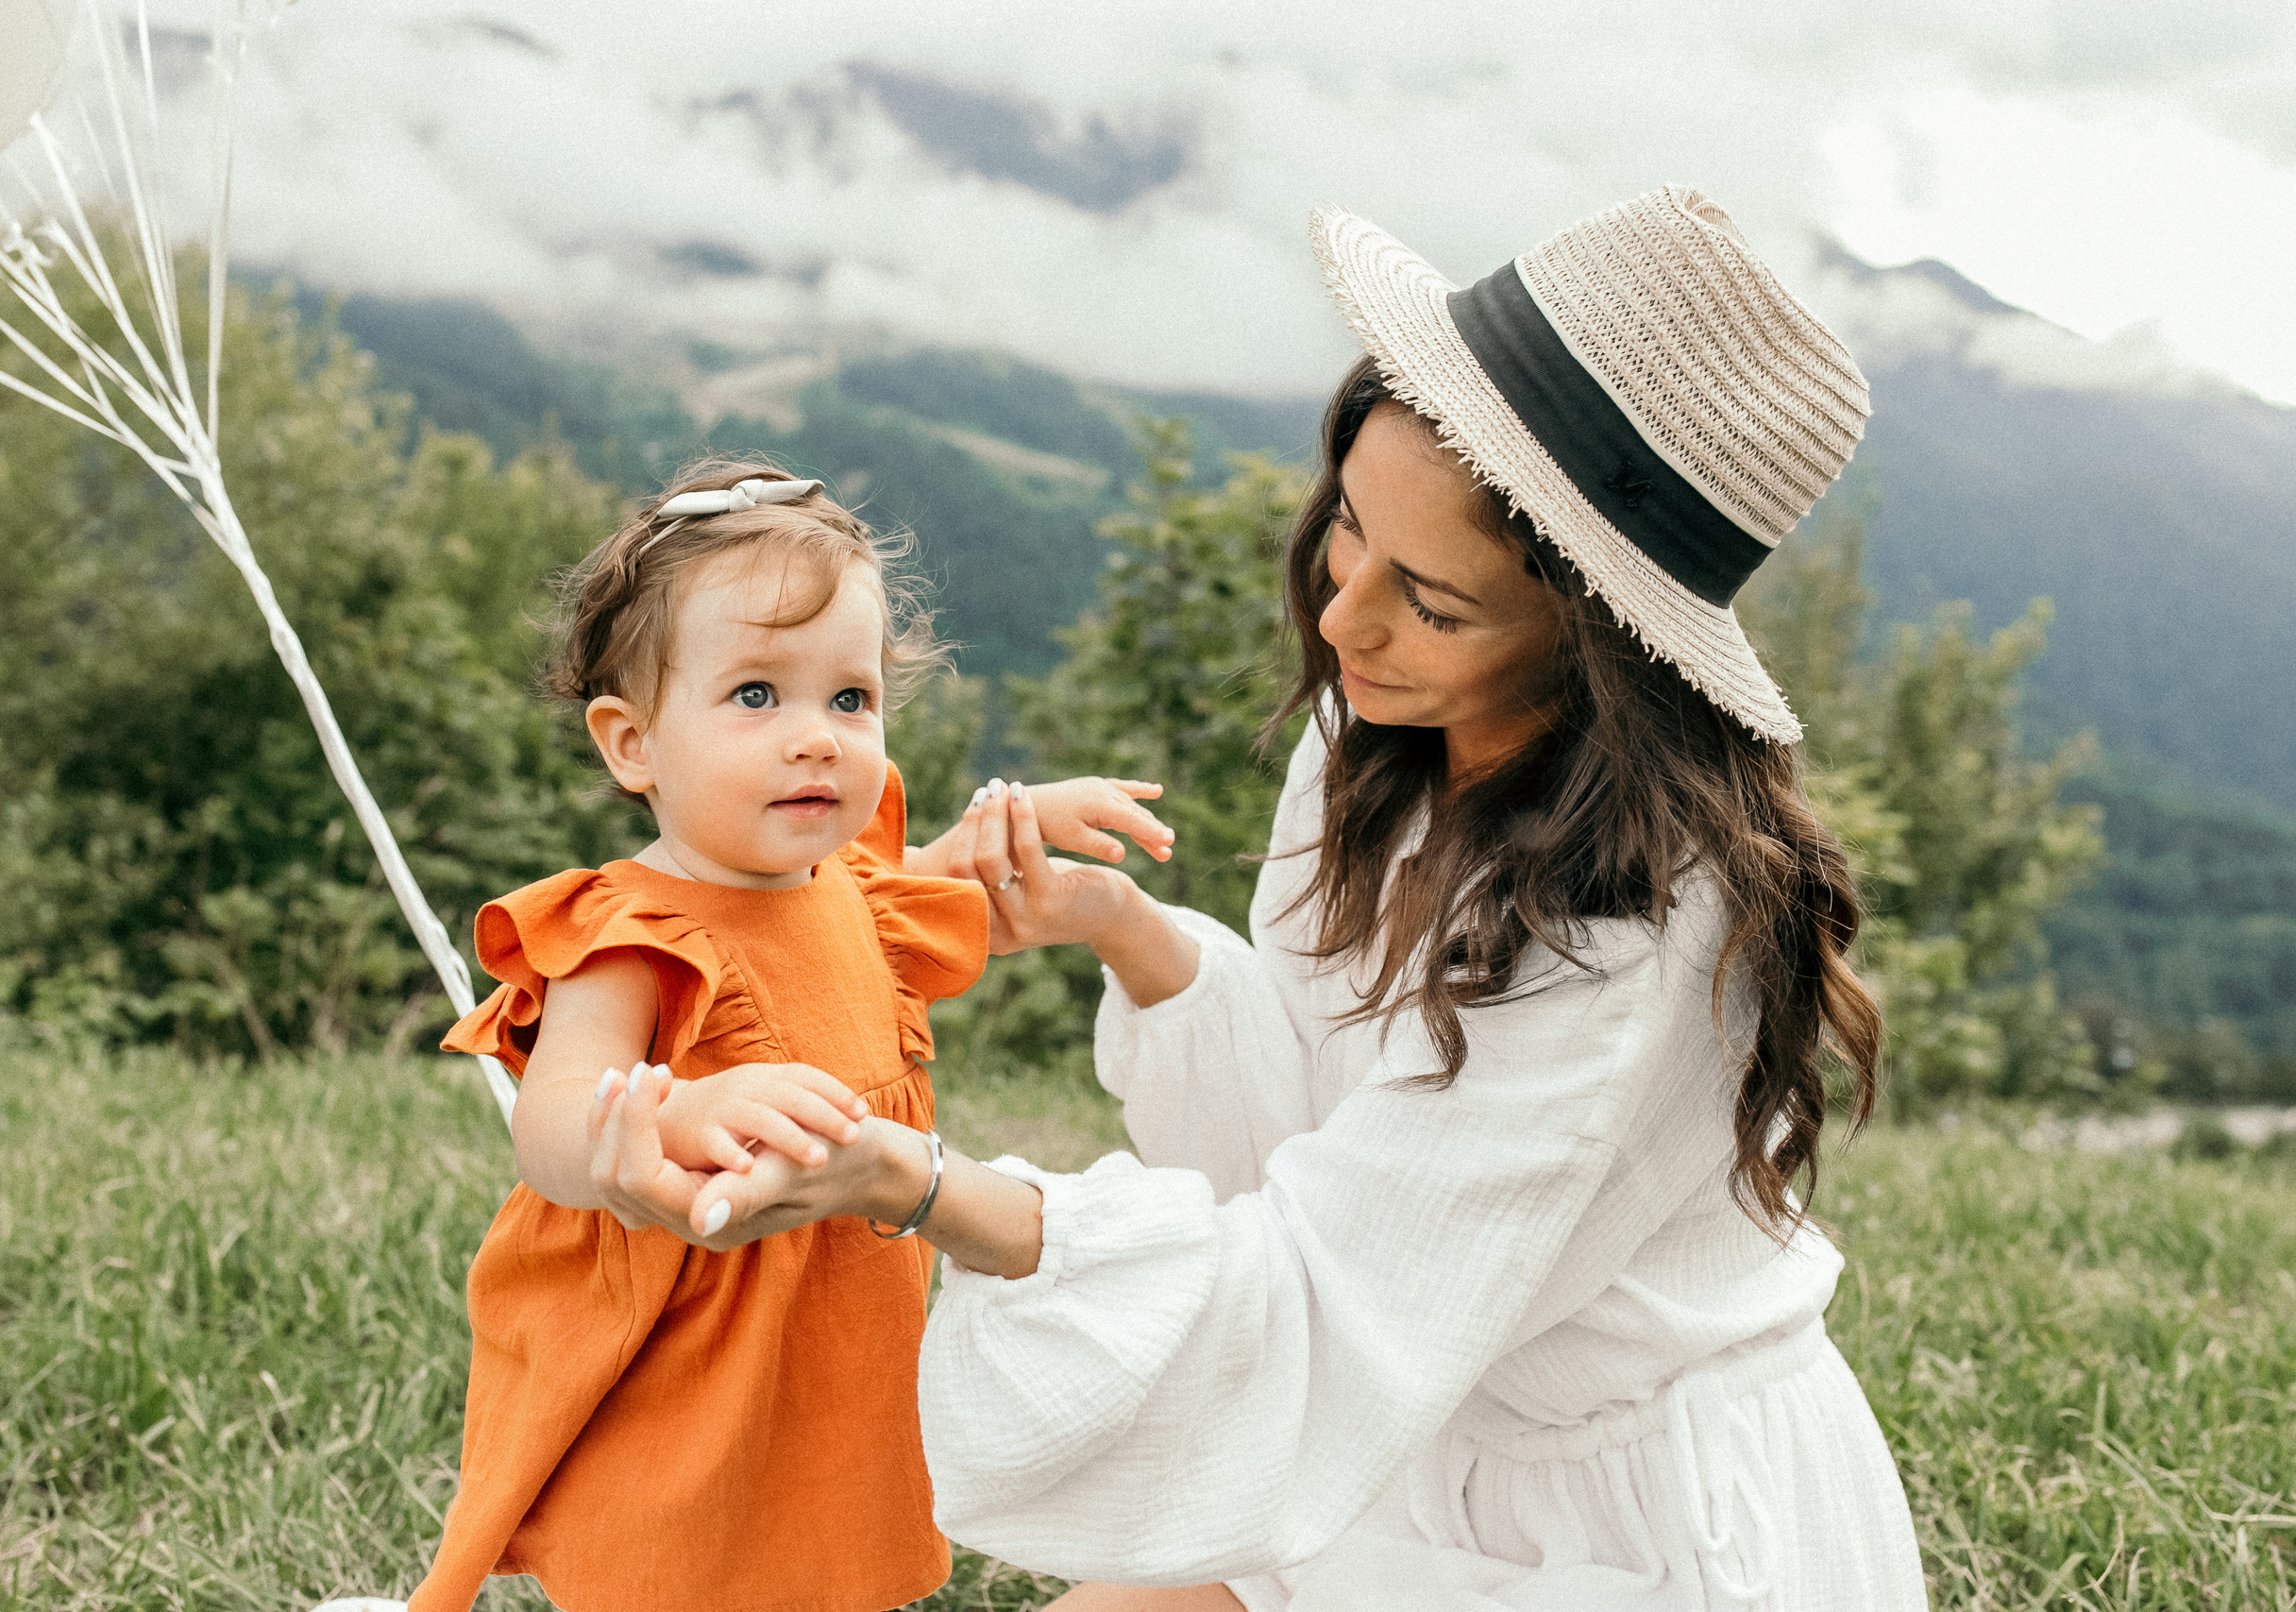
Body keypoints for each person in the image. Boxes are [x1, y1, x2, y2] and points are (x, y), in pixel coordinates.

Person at [612, 188, 1932, 1609]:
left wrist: (914, 1183)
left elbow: (1317, 1280)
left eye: (1432, 600)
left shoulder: (1636, 941)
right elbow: (1325, 1114)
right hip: (1402, 1436)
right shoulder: (1381, 745)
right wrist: (1126, 929)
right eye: (1350, 526)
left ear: (1600, 645)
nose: (1344, 614)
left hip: (1637, 1529)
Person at [404, 460, 1173, 1612]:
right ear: (632, 744)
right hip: (691, 1369)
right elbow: (555, 1123)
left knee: (838, 1552)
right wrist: (671, 1111)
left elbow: (895, 894)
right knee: (688, 1572)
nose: (816, 738)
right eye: (756, 695)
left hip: (838, 1342)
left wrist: (1009, 828)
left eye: (849, 699)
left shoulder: (848, 889)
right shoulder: (625, 931)